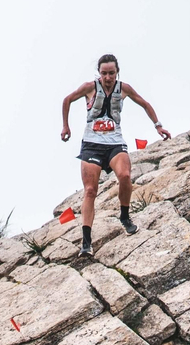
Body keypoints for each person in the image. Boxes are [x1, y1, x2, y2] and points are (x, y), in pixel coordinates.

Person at [59, 54, 171, 257]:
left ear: (117, 72)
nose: (108, 77)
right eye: (104, 73)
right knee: (91, 190)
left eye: (111, 73)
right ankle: (86, 242)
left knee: (125, 176)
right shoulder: (89, 87)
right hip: (92, 145)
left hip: (115, 143)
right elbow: (67, 99)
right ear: (99, 73)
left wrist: (158, 126)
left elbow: (144, 103)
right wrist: (66, 126)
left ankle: (125, 217)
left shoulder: (124, 89)